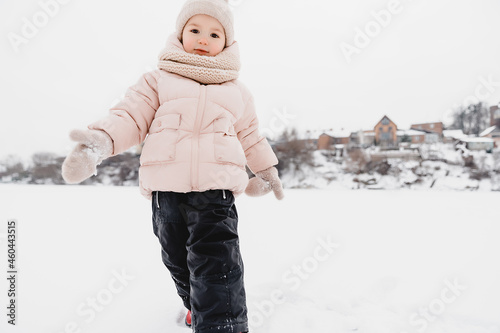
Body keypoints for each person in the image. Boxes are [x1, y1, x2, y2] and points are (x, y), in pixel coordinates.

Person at [61, 0, 284, 332]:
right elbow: (129, 116)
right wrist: (99, 143)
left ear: (227, 42)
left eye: (214, 33)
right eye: (195, 30)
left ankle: (222, 326)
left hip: (216, 191)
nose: (203, 39)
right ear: (180, 34)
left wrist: (266, 170)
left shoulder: (237, 92)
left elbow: (251, 136)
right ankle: (195, 307)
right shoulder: (158, 81)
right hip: (166, 191)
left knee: (216, 264)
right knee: (178, 260)